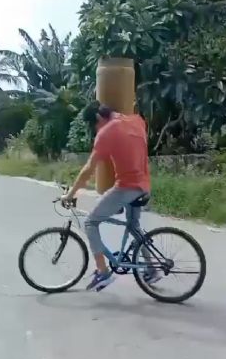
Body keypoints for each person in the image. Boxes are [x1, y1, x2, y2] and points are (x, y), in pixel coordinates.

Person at [61, 103, 160, 291]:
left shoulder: (106, 132)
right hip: (143, 185)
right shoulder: (136, 120)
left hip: (127, 187)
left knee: (90, 222)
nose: (95, 130)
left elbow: (89, 169)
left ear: (98, 119)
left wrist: (71, 194)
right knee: (133, 227)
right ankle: (152, 269)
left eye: (93, 125)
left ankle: (103, 272)